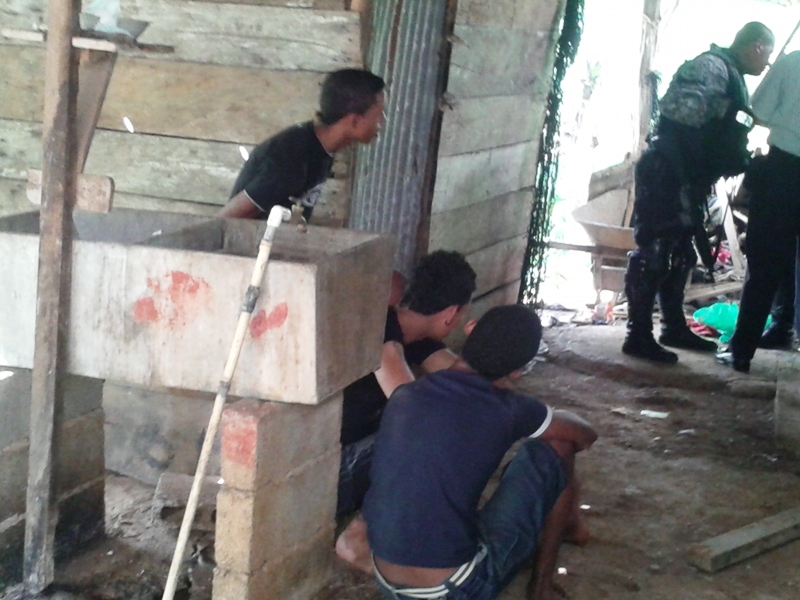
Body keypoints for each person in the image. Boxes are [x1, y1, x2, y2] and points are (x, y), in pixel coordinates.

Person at [359, 305, 596, 600]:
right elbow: (585, 435)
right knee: (559, 445)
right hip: (451, 590)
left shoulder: (406, 393)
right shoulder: (508, 408)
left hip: (386, 580)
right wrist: (538, 413)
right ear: (516, 372)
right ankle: (541, 588)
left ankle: (566, 532)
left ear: (470, 329)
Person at [623, 22, 775, 364]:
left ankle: (673, 327)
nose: (766, 64)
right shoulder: (711, 67)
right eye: (766, 54)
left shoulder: (732, 75)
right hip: (667, 171)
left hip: (687, 177)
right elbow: (680, 115)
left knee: (681, 255)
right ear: (756, 46)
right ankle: (637, 335)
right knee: (654, 253)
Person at [334, 250, 477, 567]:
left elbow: (471, 386)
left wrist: (484, 350)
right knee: (426, 436)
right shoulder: (383, 328)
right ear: (450, 313)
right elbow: (410, 408)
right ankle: (357, 538)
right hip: (329, 476)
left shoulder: (415, 337)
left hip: (349, 460)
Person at [718, 51, 800, 373]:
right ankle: (782, 327)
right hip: (785, 169)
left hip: (786, 170)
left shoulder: (793, 62)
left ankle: (742, 351)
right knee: (784, 260)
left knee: (765, 261)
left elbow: (758, 111)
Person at [217, 68, 386, 220]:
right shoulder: (290, 158)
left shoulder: (321, 148)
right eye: (378, 115)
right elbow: (224, 221)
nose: (382, 123)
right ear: (355, 121)